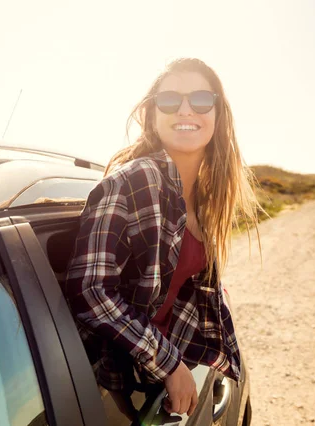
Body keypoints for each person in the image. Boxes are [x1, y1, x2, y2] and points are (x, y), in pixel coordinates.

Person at [64, 57, 262, 420]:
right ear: (152, 115)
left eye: (201, 100)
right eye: (170, 100)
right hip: (119, 384)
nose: (185, 109)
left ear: (218, 114)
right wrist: (170, 364)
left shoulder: (203, 196)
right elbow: (90, 291)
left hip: (163, 376)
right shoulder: (133, 181)